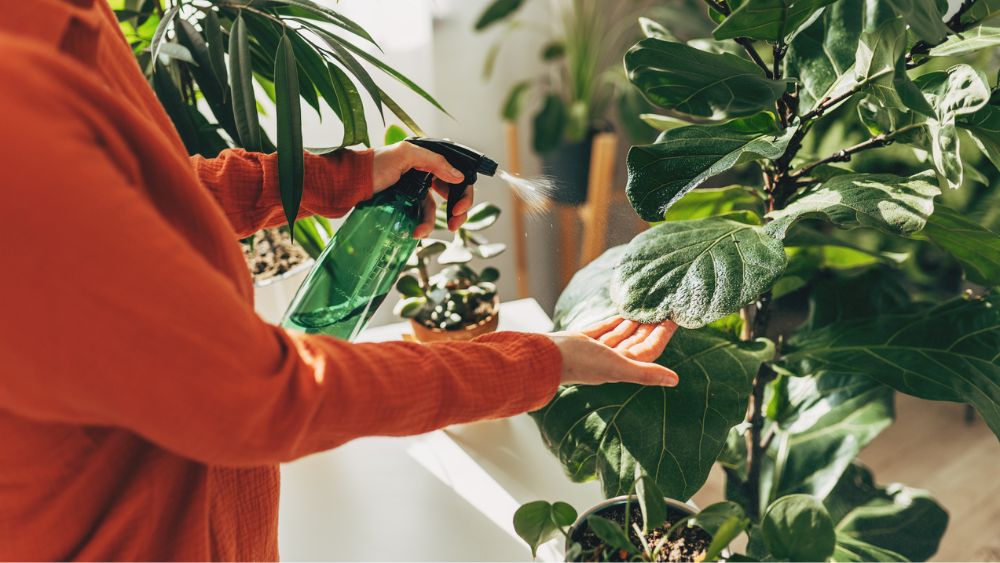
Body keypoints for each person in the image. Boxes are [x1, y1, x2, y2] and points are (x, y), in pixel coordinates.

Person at [0, 1, 679, 560]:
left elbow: (144, 194)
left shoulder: (62, 22)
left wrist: (347, 176)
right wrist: (539, 358)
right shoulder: (15, 112)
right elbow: (271, 398)